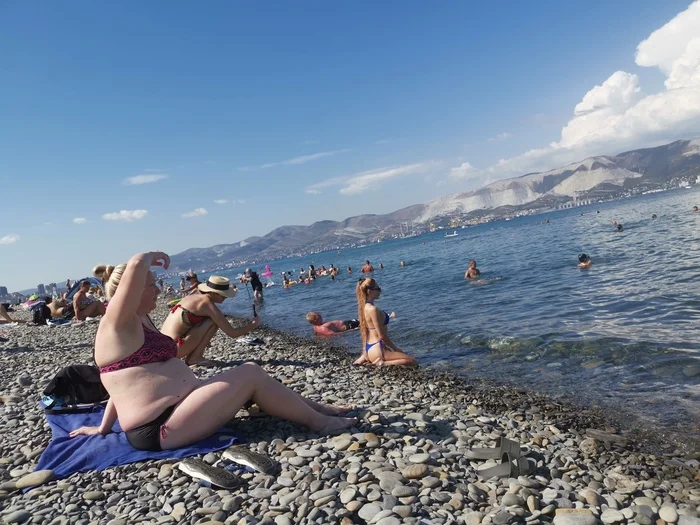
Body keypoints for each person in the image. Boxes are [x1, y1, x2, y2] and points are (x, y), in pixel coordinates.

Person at [73, 251, 356, 451]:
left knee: (250, 372)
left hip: (180, 409)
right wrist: (141, 260)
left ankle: (320, 410)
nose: (158, 291)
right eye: (151, 285)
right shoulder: (117, 325)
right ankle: (320, 423)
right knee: (249, 374)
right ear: (131, 291)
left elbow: (119, 387)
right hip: (161, 426)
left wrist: (102, 428)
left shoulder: (140, 321)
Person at [159, 276, 256, 366]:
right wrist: (254, 324)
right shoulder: (207, 305)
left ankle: (194, 356)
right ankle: (195, 358)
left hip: (162, 348)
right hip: (172, 351)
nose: (226, 297)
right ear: (213, 293)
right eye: (223, 295)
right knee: (213, 321)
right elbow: (232, 333)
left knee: (211, 319)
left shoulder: (192, 297)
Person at [355, 278, 415, 367]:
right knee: (412, 361)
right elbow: (381, 335)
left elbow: (366, 331)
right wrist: (396, 348)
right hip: (378, 348)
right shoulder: (373, 309)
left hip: (370, 347)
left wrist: (365, 352)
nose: (380, 290)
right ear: (369, 292)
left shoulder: (363, 308)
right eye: (377, 288)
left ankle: (364, 359)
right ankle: (382, 363)